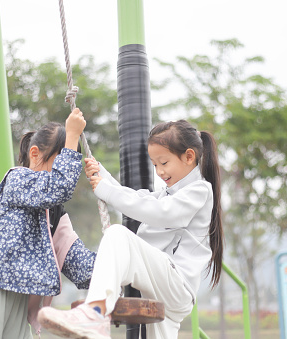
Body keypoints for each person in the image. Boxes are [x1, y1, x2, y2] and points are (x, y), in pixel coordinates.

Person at [38, 119, 224, 339]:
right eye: (155, 165)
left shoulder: (199, 191)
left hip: (176, 285)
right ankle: (94, 318)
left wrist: (106, 191)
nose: (160, 172)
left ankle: (95, 313)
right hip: (163, 289)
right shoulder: (169, 194)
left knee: (118, 235)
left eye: (163, 163)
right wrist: (101, 174)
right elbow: (136, 197)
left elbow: (160, 211)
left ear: (189, 157)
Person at [0, 108, 96, 339]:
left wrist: (122, 256)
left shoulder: (55, 216)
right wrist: (72, 136)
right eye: (59, 161)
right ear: (35, 154)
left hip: (21, 297)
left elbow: (83, 268)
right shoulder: (17, 179)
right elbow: (59, 187)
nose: (63, 171)